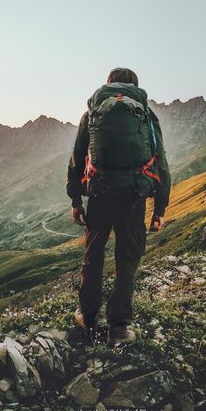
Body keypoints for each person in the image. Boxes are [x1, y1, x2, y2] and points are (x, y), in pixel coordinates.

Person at [66, 68, 171, 345]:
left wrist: (76, 201)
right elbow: (161, 162)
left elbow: (77, 160)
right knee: (127, 261)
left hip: (100, 195)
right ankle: (119, 328)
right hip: (134, 198)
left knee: (93, 256)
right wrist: (160, 208)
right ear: (135, 86)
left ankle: (88, 318)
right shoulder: (146, 115)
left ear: (108, 84)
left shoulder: (93, 113)